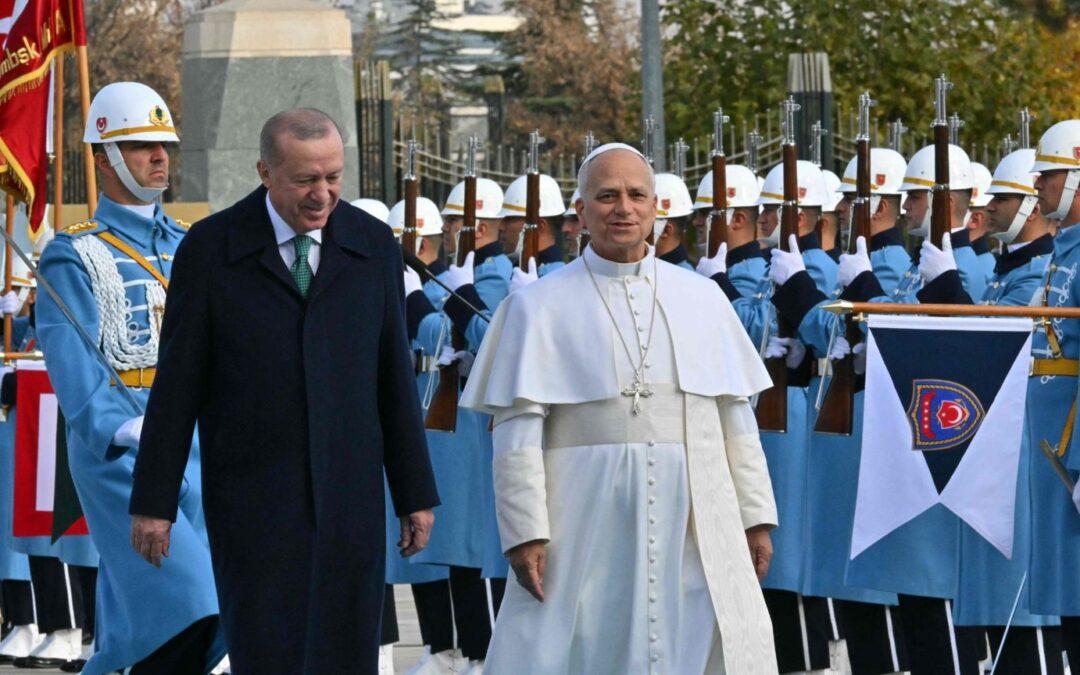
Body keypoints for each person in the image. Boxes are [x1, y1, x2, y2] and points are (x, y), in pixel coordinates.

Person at [127, 108, 440, 673]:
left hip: (351, 500)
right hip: (254, 502)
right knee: (269, 653)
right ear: (265, 172)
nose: (323, 195)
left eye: (334, 178)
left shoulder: (371, 246)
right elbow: (177, 387)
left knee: (346, 655)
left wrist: (414, 491)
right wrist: (154, 503)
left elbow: (393, 376)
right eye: (305, 180)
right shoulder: (211, 248)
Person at [461, 143, 779, 674]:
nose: (623, 208)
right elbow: (516, 433)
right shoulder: (535, 307)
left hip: (696, 519)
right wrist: (525, 532)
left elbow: (736, 420)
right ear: (580, 213)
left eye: (636, 195)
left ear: (656, 207)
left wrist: (756, 518)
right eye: (606, 196)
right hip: (582, 519)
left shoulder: (704, 299)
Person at [34, 82, 225, 675]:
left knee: (142, 623)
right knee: (193, 605)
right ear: (102, 158)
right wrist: (121, 427)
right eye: (141, 145)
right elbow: (74, 361)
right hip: (124, 449)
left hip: (200, 442)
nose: (160, 156)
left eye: (164, 143)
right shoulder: (72, 254)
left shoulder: (193, 244)